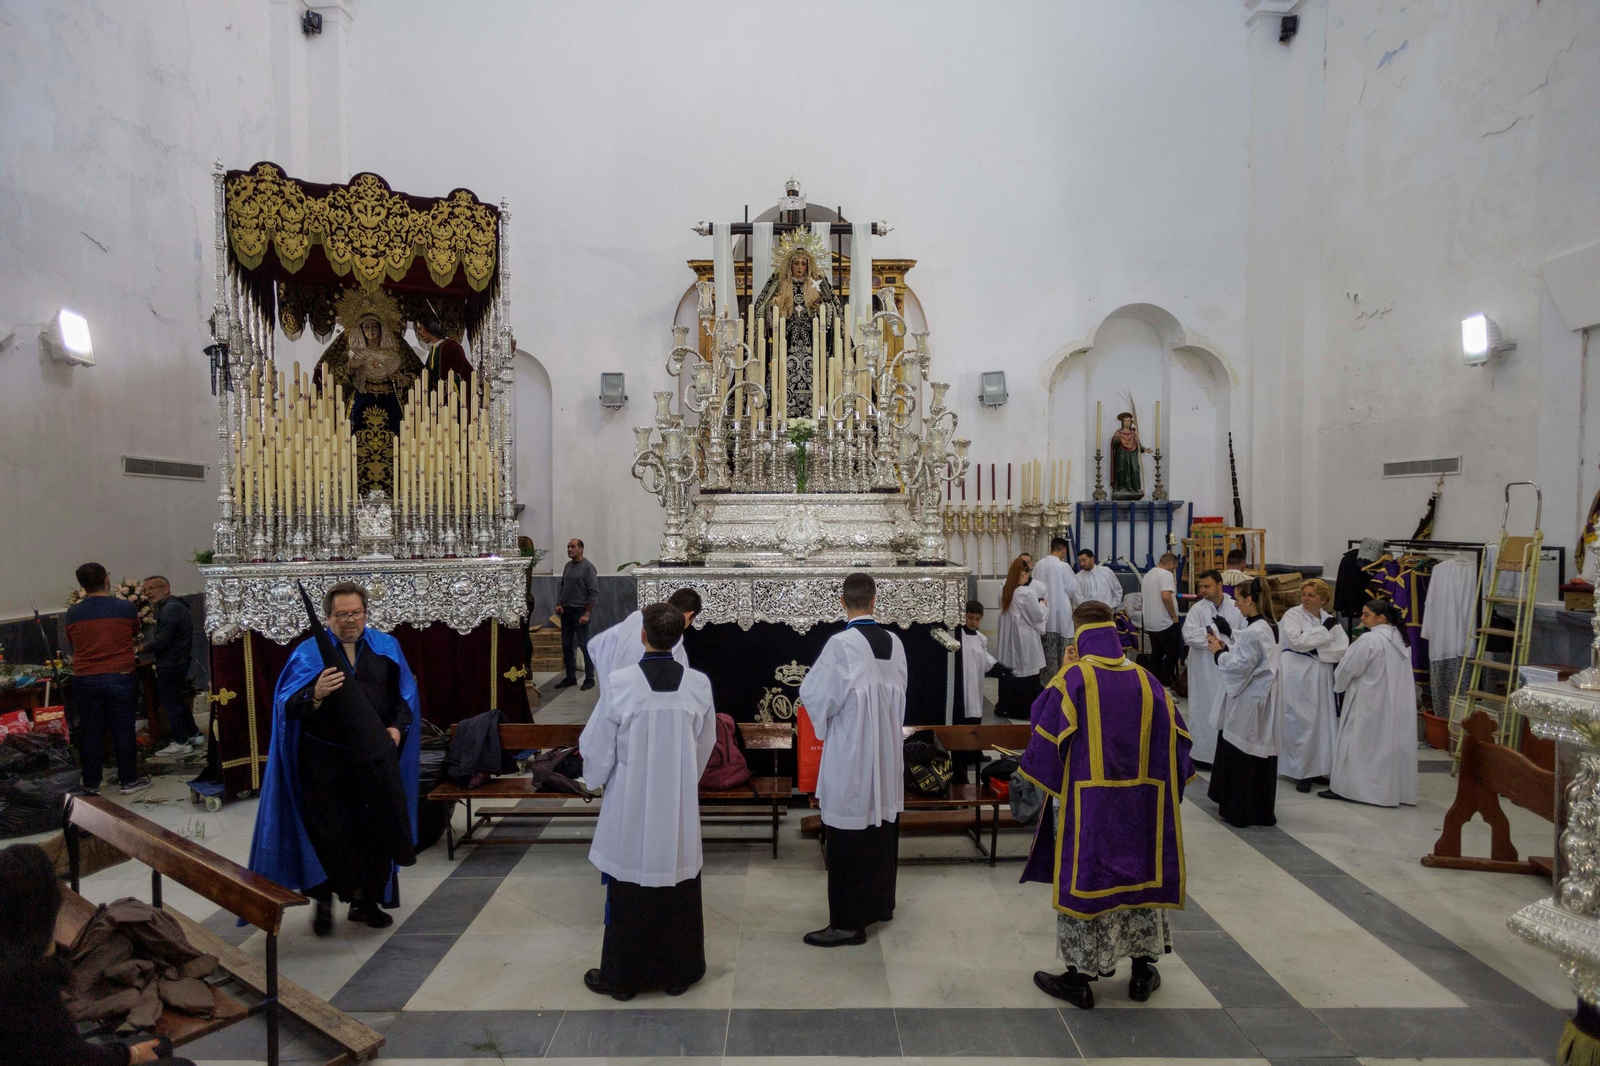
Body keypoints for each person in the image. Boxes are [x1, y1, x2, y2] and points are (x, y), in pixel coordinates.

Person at [1020, 602, 1192, 1010]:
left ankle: (1079, 979)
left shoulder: (1074, 679)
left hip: (1088, 808)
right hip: (1144, 807)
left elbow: (1042, 726)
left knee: (1087, 878)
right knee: (1141, 878)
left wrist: (1062, 671)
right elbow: (1180, 742)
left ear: (1079, 634)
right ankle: (1141, 973)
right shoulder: (1148, 680)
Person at [248, 582, 420, 935]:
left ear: (366, 613)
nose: (350, 620)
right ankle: (324, 902)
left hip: (372, 759)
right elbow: (285, 706)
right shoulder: (308, 654)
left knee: (374, 831)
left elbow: (404, 699)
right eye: (341, 614)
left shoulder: (387, 648)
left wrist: (396, 729)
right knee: (330, 834)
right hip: (324, 762)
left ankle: (365, 903)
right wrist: (314, 694)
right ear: (327, 617)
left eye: (356, 612)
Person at [579, 603, 717, 1000]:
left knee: (629, 884)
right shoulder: (698, 685)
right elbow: (705, 742)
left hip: (631, 803)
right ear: (679, 637)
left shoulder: (619, 684)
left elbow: (597, 748)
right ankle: (678, 972)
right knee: (676, 883)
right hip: (677, 806)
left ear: (642, 636)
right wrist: (682, 778)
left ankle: (624, 978)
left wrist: (596, 780)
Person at [0, 843, 196, 1065]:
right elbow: (70, 1057)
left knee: (161, 1045)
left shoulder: (15, 958)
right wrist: (131, 1055)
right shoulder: (27, 985)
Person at [797, 573, 907, 947]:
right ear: (874, 601)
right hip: (886, 754)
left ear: (842, 602)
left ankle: (847, 923)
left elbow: (817, 697)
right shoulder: (896, 643)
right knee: (881, 826)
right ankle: (880, 905)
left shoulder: (841, 645)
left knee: (848, 831)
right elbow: (900, 696)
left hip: (853, 753)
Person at [64, 563, 149, 796]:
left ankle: (91, 783)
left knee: (90, 731)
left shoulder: (73, 613)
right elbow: (134, 631)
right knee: (123, 729)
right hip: (120, 675)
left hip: (85, 677)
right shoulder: (125, 607)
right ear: (106, 580)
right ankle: (128, 780)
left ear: (82, 585)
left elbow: (72, 641)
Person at [1205, 576, 1283, 828]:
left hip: (1250, 698)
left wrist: (1219, 653)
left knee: (1242, 750)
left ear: (1249, 599)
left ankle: (1239, 811)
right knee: (1259, 750)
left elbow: (1240, 667)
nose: (1236, 604)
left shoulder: (1255, 631)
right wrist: (1228, 645)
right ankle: (1261, 810)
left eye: (1238, 599)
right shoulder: (1270, 625)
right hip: (1263, 696)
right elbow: (1252, 655)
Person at [1325, 599, 1418, 807]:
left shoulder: (1369, 639)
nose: (1362, 618)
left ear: (1381, 618)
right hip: (1395, 701)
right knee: (1387, 745)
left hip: (1368, 700)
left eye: (1366, 614)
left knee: (1360, 744)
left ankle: (1355, 789)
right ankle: (1390, 791)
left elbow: (1349, 668)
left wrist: (1339, 684)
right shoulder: (1401, 639)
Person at [1279, 580, 1348, 792]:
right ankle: (1301, 771)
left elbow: (1342, 648)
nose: (1306, 598)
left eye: (1311, 595)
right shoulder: (1293, 615)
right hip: (1297, 674)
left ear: (1323, 599)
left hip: (1322, 674)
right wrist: (1322, 635)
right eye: (1304, 594)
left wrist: (1316, 649)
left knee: (1322, 723)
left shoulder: (1330, 621)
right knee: (1301, 722)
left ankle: (1317, 769)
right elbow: (1296, 642)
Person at [585, 589, 700, 703]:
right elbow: (680, 686)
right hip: (648, 701)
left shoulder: (635, 616)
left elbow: (596, 644)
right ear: (689, 615)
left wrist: (611, 675)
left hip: (620, 692)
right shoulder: (673, 635)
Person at [1180, 570, 1245, 766]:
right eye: (1201, 586)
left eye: (1207, 586)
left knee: (1229, 713)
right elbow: (1189, 635)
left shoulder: (1235, 607)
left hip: (1229, 666)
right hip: (1204, 670)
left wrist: (1229, 631)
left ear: (1219, 585)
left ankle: (1226, 758)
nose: (1203, 590)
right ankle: (1203, 755)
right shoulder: (1197, 610)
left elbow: (1246, 634)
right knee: (1204, 709)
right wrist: (1214, 629)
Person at [141, 577, 202, 756]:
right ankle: (193, 734)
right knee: (177, 699)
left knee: (169, 702)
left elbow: (162, 641)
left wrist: (140, 648)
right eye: (145, 590)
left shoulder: (171, 608)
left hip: (171, 662)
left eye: (152, 588)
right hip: (177, 660)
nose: (148, 593)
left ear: (166, 588)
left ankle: (181, 742)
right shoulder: (173, 606)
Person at [996, 557, 1047, 719]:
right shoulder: (1025, 593)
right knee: (1026, 670)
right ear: (1021, 575)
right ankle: (1024, 710)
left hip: (1008, 637)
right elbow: (1036, 616)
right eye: (1025, 575)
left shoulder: (1004, 589)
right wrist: (1043, 606)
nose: (1026, 579)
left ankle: (1005, 706)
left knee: (1010, 671)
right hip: (1024, 637)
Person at [556, 538, 600, 690]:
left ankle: (590, 678)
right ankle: (570, 677)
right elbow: (562, 586)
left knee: (585, 646)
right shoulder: (568, 566)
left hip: (580, 613)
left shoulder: (588, 567)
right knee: (567, 646)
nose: (569, 549)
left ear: (581, 549)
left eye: (573, 546)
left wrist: (586, 613)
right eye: (568, 547)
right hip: (566, 612)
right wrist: (559, 603)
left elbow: (593, 592)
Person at [1032, 537, 1079, 673]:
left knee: (1046, 653)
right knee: (1062, 653)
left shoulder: (1039, 565)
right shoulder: (1063, 566)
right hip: (1061, 613)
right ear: (1064, 551)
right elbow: (1071, 589)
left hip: (1043, 612)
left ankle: (1046, 680)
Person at [1140, 553, 1181, 685]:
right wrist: (1174, 616)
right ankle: (1165, 683)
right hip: (1165, 622)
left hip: (1150, 622)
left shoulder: (1148, 575)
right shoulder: (1166, 575)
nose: (1174, 571)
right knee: (1173, 653)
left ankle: (1152, 683)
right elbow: (1165, 596)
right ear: (1171, 565)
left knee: (1157, 654)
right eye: (1175, 568)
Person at [414, 315, 474, 386]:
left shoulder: (451, 346)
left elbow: (466, 371)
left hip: (449, 392)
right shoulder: (432, 351)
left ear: (429, 327)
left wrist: (449, 384)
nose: (420, 333)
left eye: (420, 328)